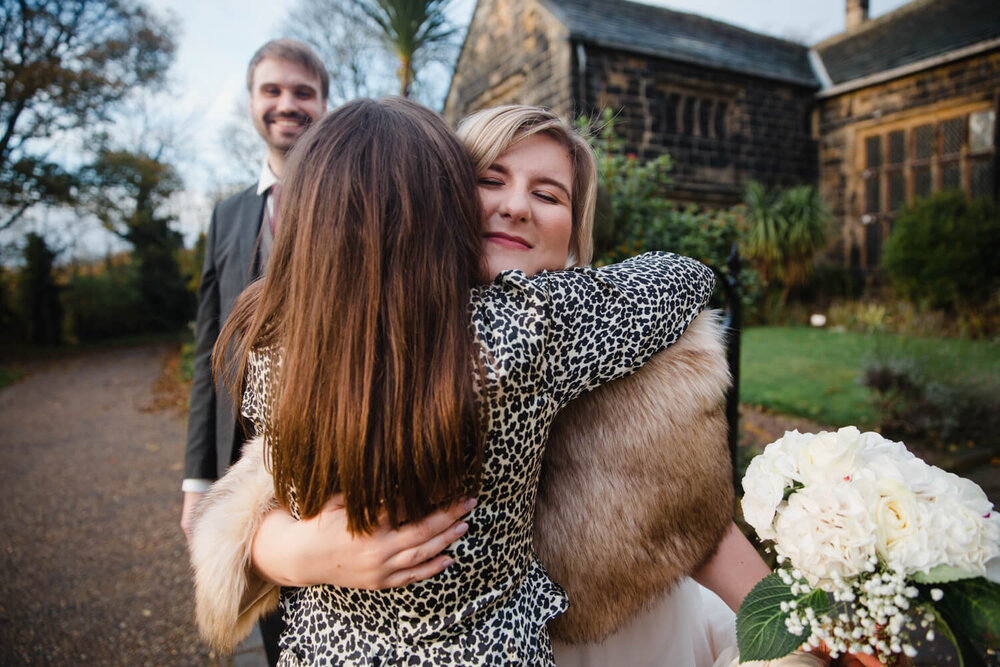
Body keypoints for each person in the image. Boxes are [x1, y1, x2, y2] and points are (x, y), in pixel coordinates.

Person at [193, 96, 716, 666]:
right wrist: (288, 552)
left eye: (548, 193)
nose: (516, 206)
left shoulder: (273, 339)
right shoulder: (521, 329)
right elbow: (683, 276)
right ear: (441, 207)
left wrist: (286, 552)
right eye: (488, 180)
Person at [180, 38, 329, 665]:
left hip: (333, 456)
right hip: (246, 476)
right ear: (251, 102)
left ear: (325, 104)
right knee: (274, 641)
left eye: (303, 92)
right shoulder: (227, 214)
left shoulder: (360, 200)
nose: (287, 104)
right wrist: (196, 483)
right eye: (272, 90)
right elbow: (206, 350)